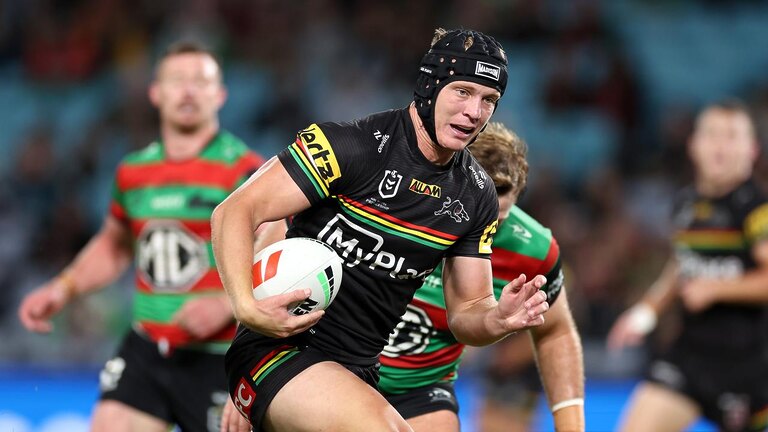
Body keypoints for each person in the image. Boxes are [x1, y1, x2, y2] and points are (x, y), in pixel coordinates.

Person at [211, 28, 550, 432]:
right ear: (429, 85)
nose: (474, 112)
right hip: (280, 351)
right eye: (462, 91)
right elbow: (234, 212)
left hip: (359, 371)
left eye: (488, 100)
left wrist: (498, 319)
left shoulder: (477, 197)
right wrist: (246, 308)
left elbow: (466, 312)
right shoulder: (348, 146)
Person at [18, 41, 264, 432]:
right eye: (177, 80)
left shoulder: (246, 171)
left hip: (220, 355)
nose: (187, 91)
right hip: (147, 349)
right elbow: (115, 245)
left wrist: (226, 304)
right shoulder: (133, 172)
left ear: (220, 95)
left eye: (200, 82)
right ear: (155, 92)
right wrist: (62, 288)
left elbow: (276, 253)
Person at [378, 122, 584, 432]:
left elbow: (555, 331)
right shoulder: (388, 203)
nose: (481, 229)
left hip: (421, 391)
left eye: (495, 221)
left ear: (517, 196)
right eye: (473, 214)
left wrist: (571, 427)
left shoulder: (533, 249)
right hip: (346, 367)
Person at [607, 100, 768, 432]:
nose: (720, 145)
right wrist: (647, 312)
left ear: (752, 149)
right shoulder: (685, 204)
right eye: (711, 134)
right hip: (689, 357)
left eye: (732, 136)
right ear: (694, 146)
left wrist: (717, 289)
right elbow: (683, 266)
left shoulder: (757, 210)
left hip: (751, 368)